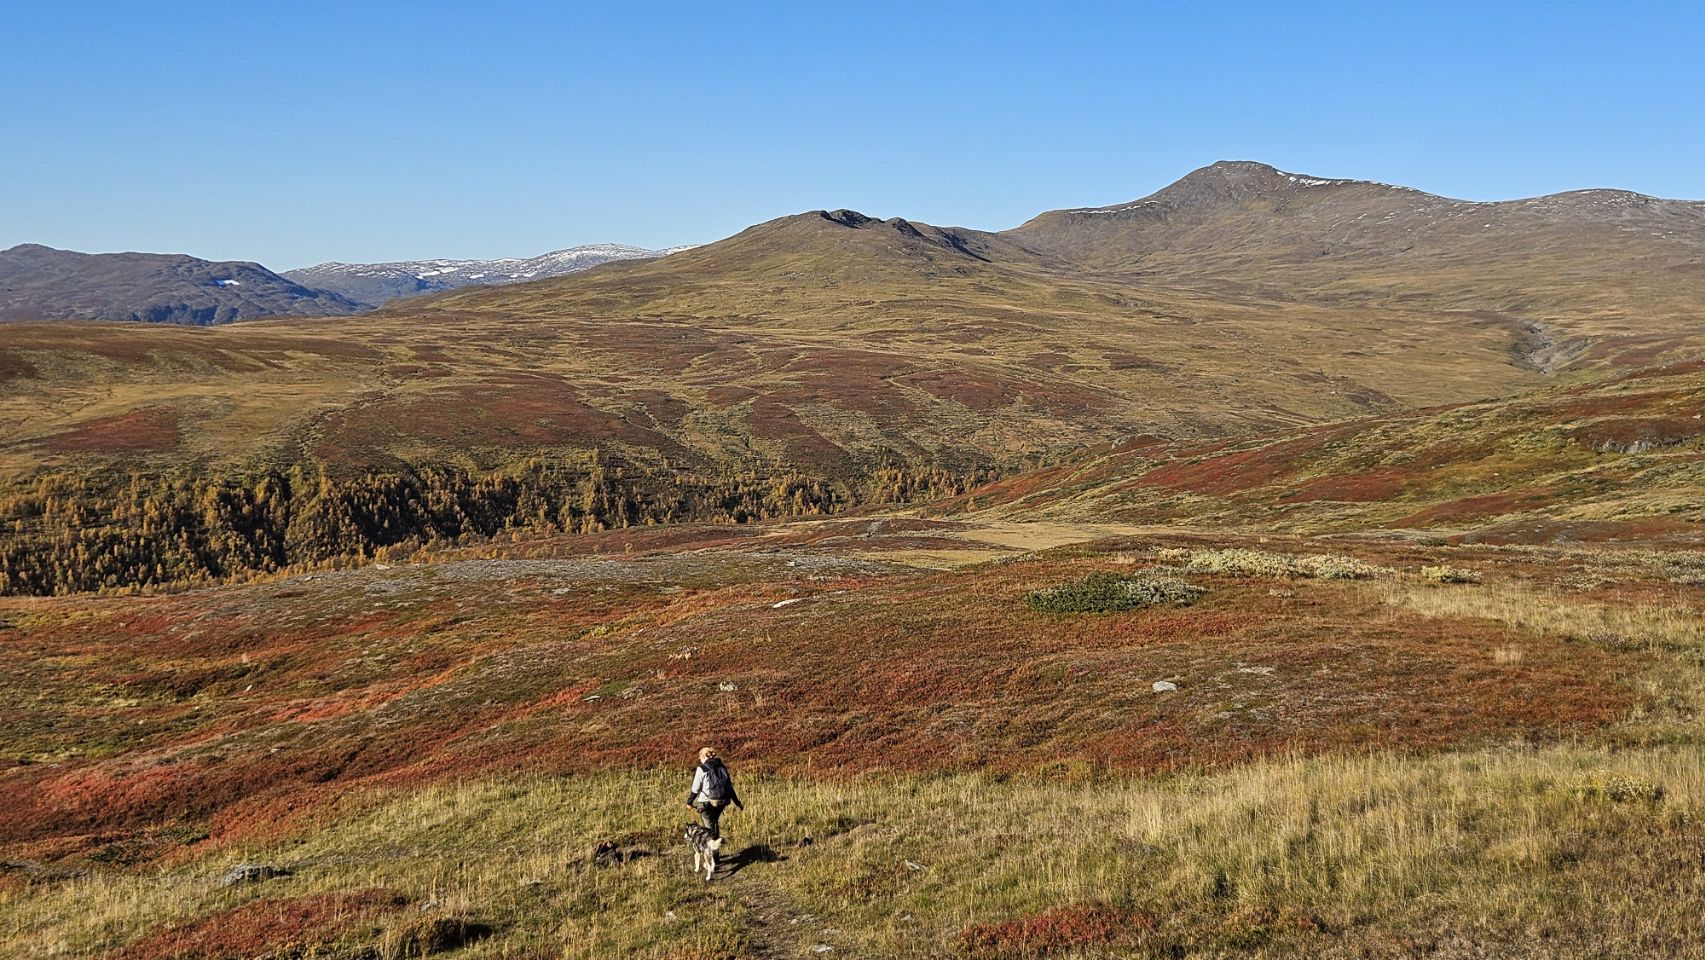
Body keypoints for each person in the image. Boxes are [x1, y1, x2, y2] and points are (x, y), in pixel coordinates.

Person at [686, 746, 742, 839]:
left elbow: (695, 788)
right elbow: (729, 786)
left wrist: (689, 802)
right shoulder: (722, 767)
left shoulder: (702, 768)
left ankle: (712, 846)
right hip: (722, 800)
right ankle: (716, 845)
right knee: (714, 821)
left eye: (700, 757)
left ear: (703, 756)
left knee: (709, 826)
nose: (700, 760)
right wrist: (737, 803)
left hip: (706, 802)